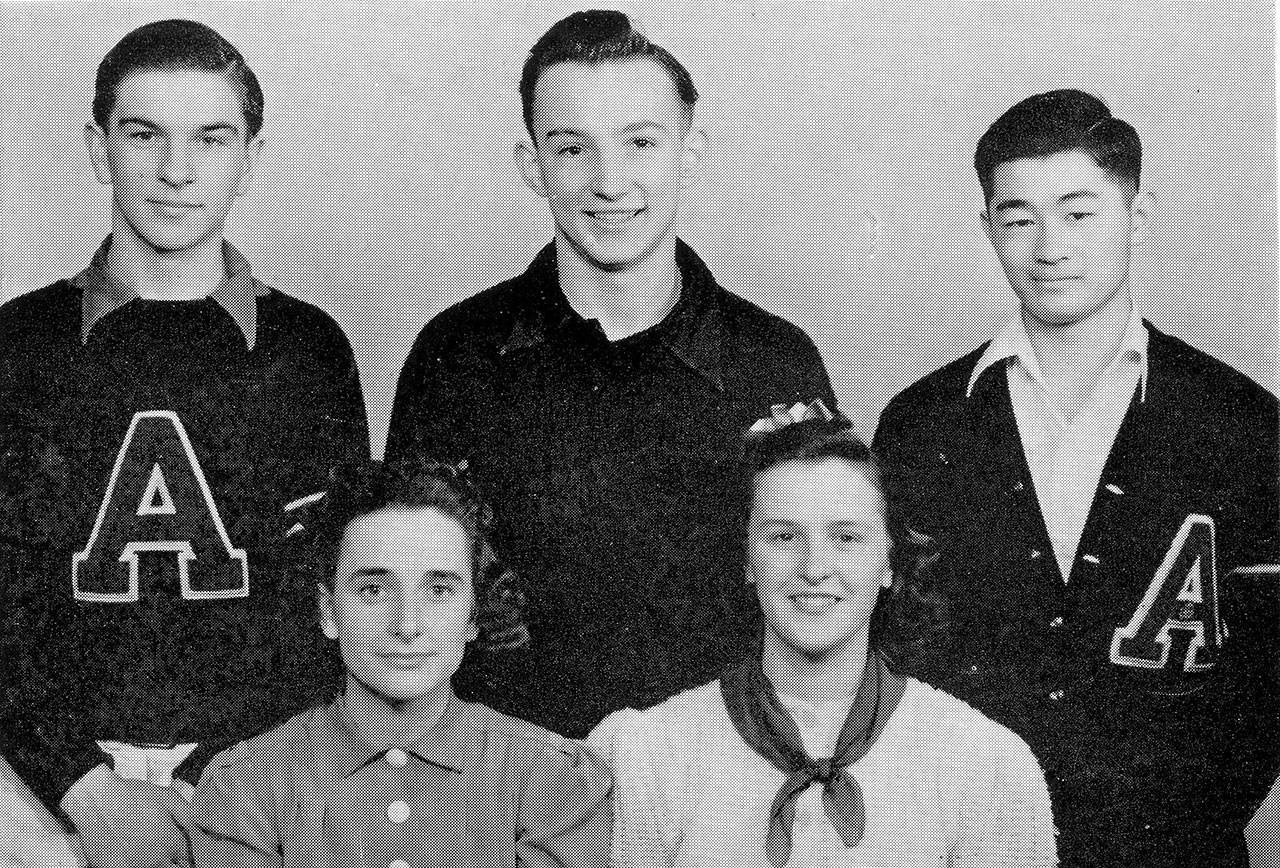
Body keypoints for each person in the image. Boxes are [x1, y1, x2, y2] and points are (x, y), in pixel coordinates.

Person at [384, 9, 835, 740]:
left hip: (724, 786)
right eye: (572, 150)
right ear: (532, 165)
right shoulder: (455, 355)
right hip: (507, 791)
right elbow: (405, 603)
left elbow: (819, 605)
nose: (609, 182)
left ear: (690, 151)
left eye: (640, 143)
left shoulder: (774, 360)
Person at [873, 89, 1278, 867]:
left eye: (1079, 211)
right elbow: (894, 655)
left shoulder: (1244, 426)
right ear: (987, 228)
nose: (1049, 246)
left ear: (1139, 212)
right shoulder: (923, 424)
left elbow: (1270, 680)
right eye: (1019, 218)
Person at [0, 19, 369, 868]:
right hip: (38, 784)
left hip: (248, 775)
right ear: (100, 150)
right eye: (144, 135)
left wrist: (216, 781)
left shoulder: (306, 351)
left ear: (251, 156)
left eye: (211, 138)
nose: (176, 170)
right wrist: (78, 784)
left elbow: (325, 601)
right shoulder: (19, 345)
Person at [589, 407, 1055, 867]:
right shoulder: (643, 754)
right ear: (747, 559)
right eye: (784, 537)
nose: (814, 570)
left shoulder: (986, 765)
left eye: (846, 538)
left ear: (889, 561)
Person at [191, 459, 612, 867]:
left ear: (473, 614)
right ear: (329, 611)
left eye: (439, 591)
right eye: (373, 589)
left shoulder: (554, 781)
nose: (407, 625)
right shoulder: (245, 787)